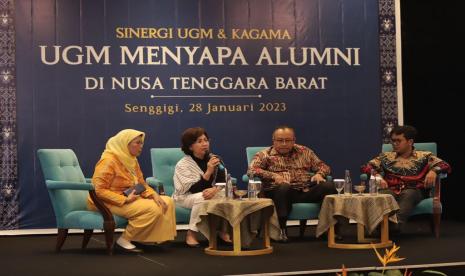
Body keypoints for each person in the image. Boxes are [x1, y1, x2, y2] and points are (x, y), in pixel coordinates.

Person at [88, 129, 176, 253]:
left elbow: (141, 183)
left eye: (142, 143)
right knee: (152, 208)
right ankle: (124, 240)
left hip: (130, 196)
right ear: (125, 143)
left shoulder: (131, 160)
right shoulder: (108, 161)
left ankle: (148, 239)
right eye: (137, 143)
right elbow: (98, 190)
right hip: (104, 201)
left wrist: (153, 194)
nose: (141, 146)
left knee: (167, 201)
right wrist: (124, 199)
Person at [247, 125, 335, 242]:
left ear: (294, 140)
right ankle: (282, 230)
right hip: (279, 192)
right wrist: (273, 176)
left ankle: (329, 230)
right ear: (273, 141)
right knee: (284, 188)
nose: (284, 143)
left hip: (305, 190)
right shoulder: (264, 155)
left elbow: (324, 167)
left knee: (328, 186)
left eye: (288, 140)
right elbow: (251, 170)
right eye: (280, 140)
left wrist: (319, 174)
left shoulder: (305, 151)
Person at [361, 125, 451, 232]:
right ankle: (381, 226)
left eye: (399, 141)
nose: (395, 143)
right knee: (384, 195)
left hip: (414, 190)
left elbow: (445, 165)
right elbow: (366, 166)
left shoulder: (425, 156)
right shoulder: (386, 157)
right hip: (391, 188)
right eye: (393, 140)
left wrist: (433, 171)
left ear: (410, 142)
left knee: (409, 194)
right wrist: (376, 175)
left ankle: (394, 226)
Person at [173, 127, 231, 247]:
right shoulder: (183, 164)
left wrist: (215, 189)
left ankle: (222, 231)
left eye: (206, 140)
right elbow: (192, 189)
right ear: (190, 146)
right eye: (199, 141)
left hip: (211, 193)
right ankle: (191, 233)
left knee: (226, 194)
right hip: (185, 197)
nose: (205, 144)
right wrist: (208, 172)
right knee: (203, 197)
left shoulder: (214, 159)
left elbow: (222, 181)